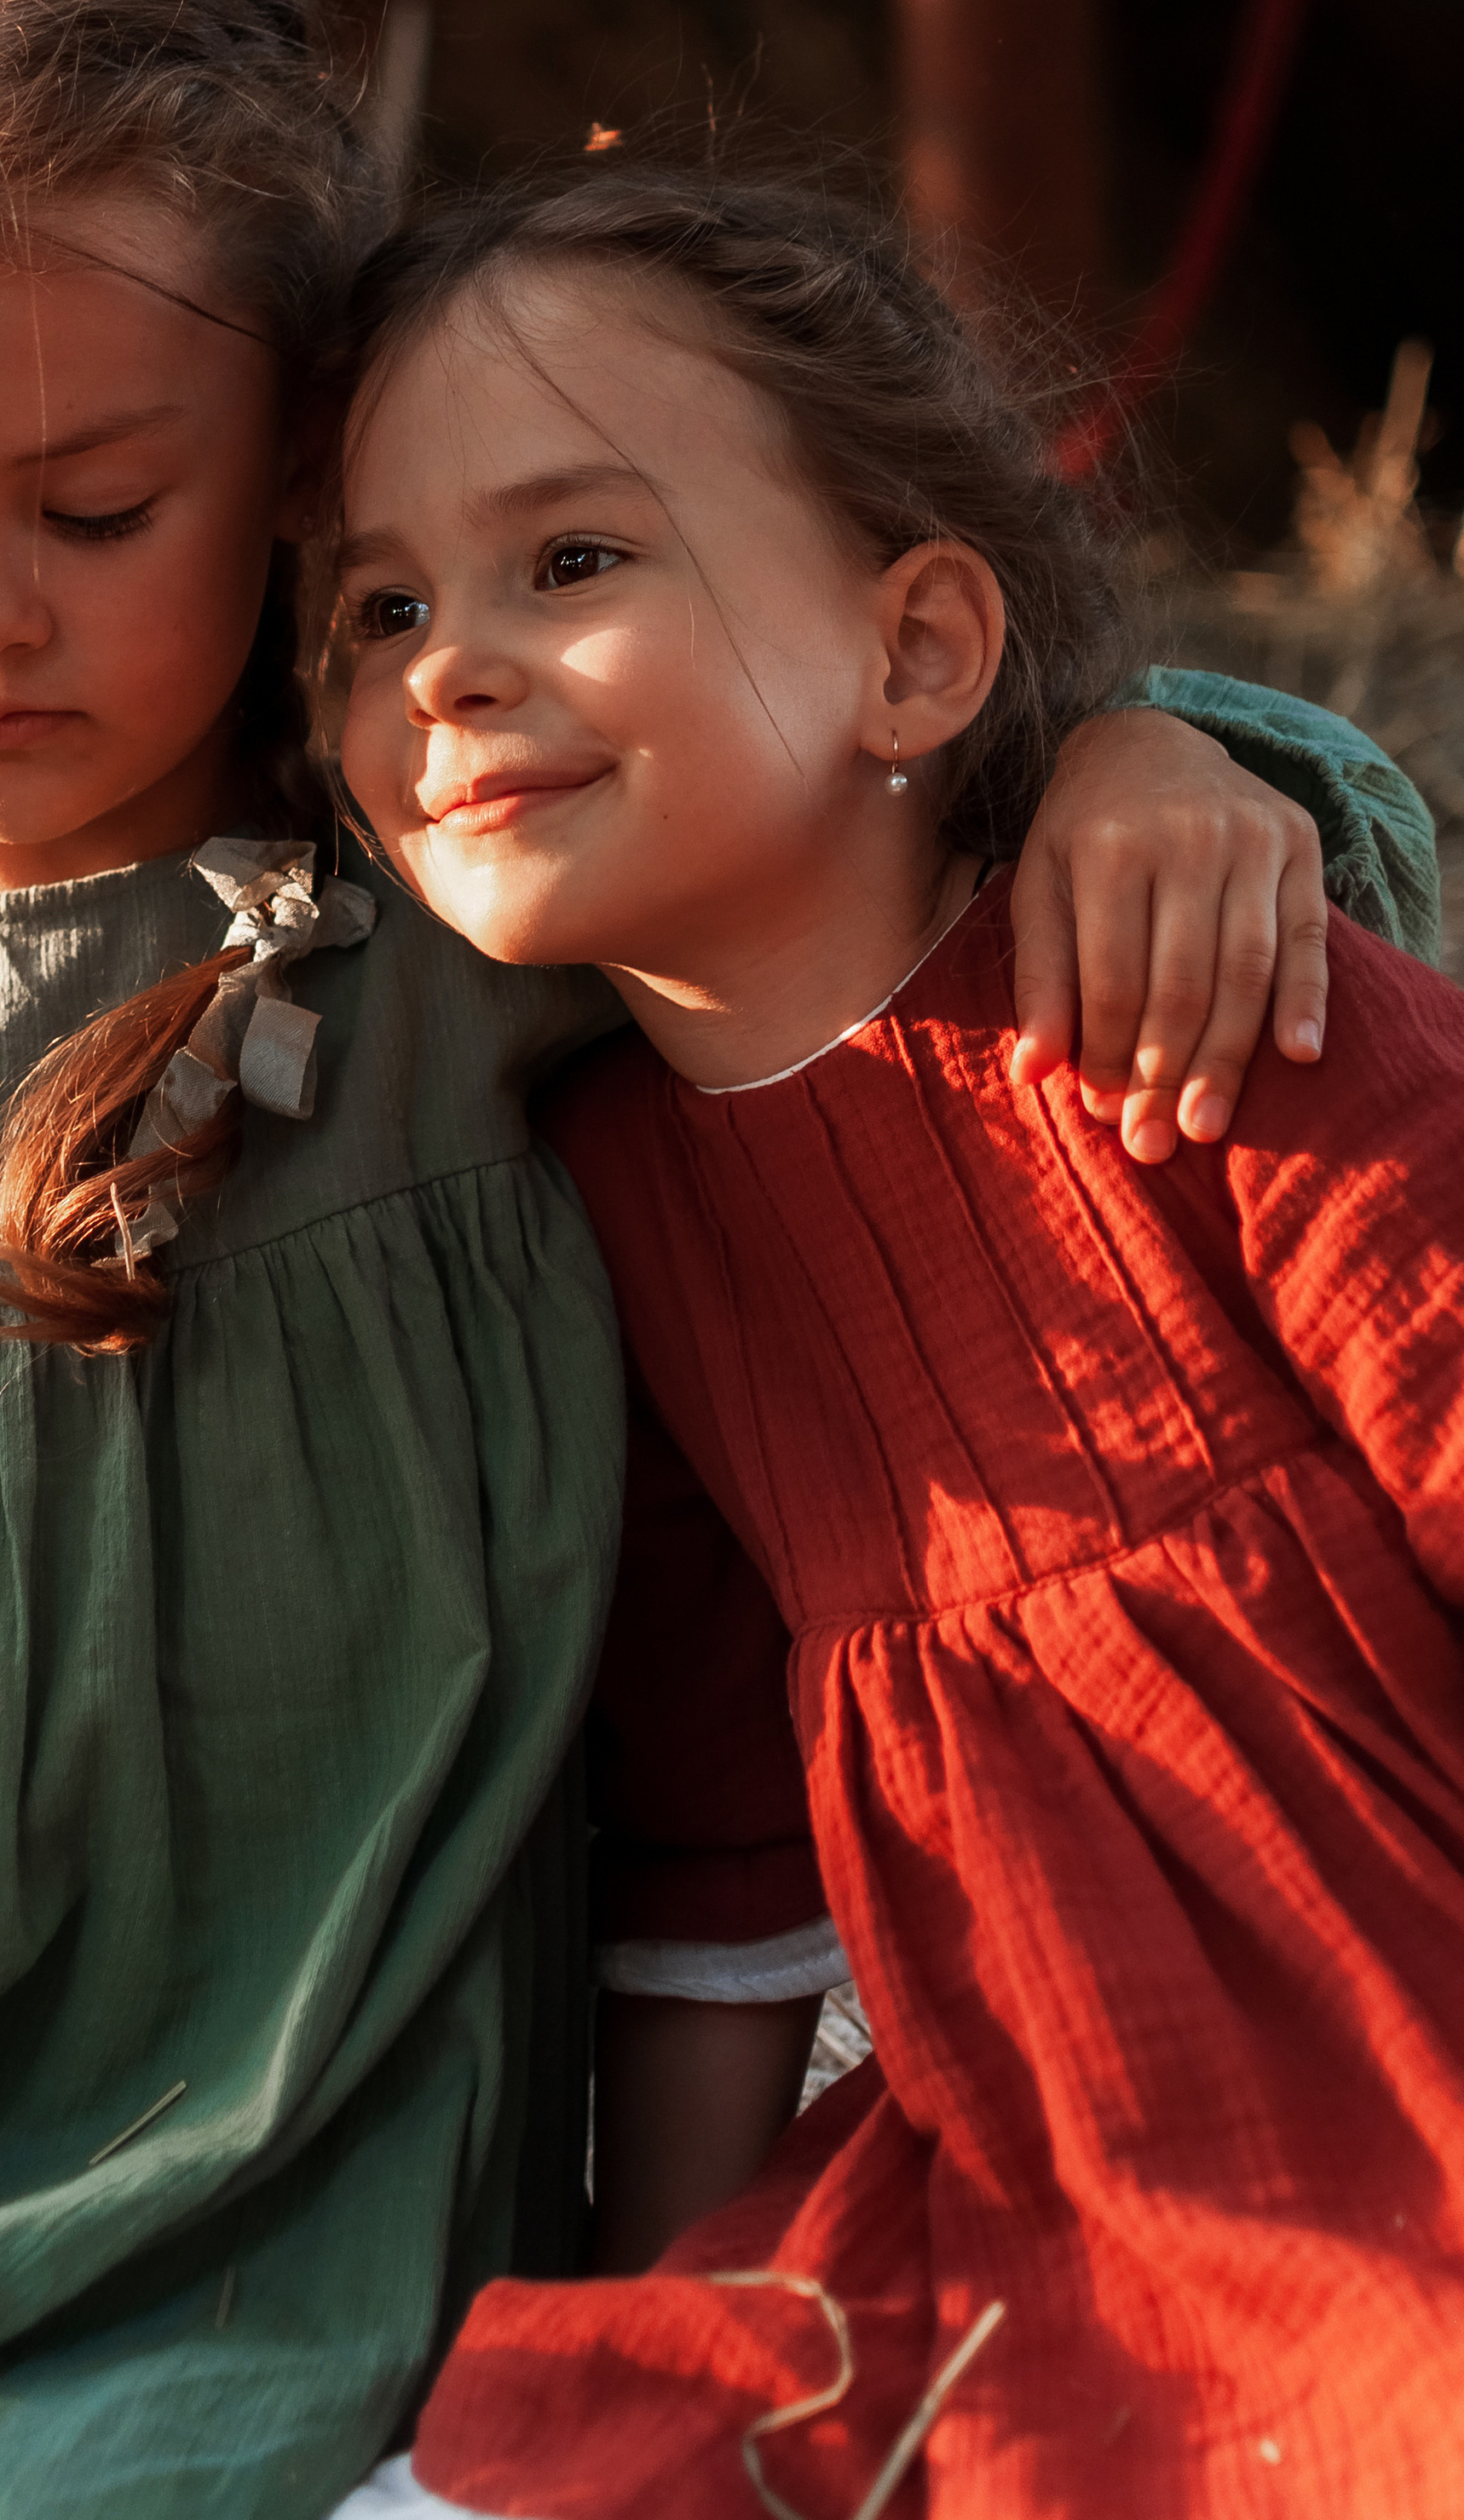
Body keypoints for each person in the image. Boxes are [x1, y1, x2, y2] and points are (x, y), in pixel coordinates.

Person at [0, 0, 1426, 2520]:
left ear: (300, 470)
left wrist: (1152, 759)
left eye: (96, 506)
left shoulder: (496, 926)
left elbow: (885, 802)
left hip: (313, 2304)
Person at [328, 158, 1461, 2520]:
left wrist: (1154, 746)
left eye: (573, 559)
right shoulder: (598, 1201)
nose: (446, 665)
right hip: (1040, 2162)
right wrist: (664, 2301)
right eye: (379, 607)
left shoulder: (1197, 1003)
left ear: (920, 653)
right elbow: (721, 1852)